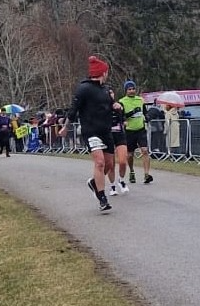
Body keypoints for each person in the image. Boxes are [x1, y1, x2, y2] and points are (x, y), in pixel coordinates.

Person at [59, 55, 115, 212]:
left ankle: (94, 182)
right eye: (106, 72)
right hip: (91, 131)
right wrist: (65, 127)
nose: (107, 74)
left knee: (110, 164)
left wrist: (115, 105)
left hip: (106, 131)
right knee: (100, 162)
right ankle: (102, 197)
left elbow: (108, 106)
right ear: (103, 72)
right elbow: (73, 110)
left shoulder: (106, 90)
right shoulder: (83, 89)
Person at [120, 79, 153, 183]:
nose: (132, 91)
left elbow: (145, 112)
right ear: (126, 90)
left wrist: (147, 117)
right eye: (129, 89)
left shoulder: (140, 100)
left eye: (133, 89)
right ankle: (132, 171)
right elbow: (121, 117)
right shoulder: (122, 102)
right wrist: (132, 113)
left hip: (140, 129)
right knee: (130, 154)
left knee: (144, 150)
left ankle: (147, 174)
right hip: (129, 131)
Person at [108, 92, 130, 195]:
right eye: (108, 93)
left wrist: (124, 121)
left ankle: (121, 181)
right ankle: (112, 186)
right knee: (111, 164)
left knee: (122, 161)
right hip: (107, 135)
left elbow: (124, 119)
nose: (110, 94)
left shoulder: (119, 105)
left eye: (112, 93)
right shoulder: (101, 106)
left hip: (119, 135)